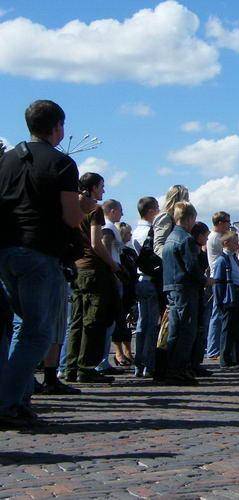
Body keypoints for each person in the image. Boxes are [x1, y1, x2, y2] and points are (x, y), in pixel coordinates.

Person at [0, 100, 84, 427]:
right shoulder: (61, 163)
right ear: (57, 126)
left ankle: (20, 398)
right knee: (38, 332)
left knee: (21, 327)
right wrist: (85, 208)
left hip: (7, 249)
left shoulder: (7, 160)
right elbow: (71, 215)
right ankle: (7, 401)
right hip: (39, 251)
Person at [66, 172, 121, 384]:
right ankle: (86, 367)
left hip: (76, 267)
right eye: (101, 186)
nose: (103, 190)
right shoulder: (94, 209)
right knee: (93, 320)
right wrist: (112, 264)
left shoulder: (71, 205)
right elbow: (96, 242)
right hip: (93, 269)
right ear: (93, 187)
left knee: (76, 320)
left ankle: (70, 366)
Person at [162, 202, 206, 385]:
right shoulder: (186, 239)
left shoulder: (170, 237)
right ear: (189, 218)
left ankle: (171, 368)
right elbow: (191, 267)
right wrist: (205, 280)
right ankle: (179, 369)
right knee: (186, 330)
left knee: (175, 330)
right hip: (185, 288)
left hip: (171, 286)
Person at [213, 231, 239, 371]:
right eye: (235, 242)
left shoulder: (234, 259)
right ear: (226, 243)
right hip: (229, 298)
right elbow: (218, 283)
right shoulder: (222, 260)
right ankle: (225, 359)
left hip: (238, 296)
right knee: (228, 329)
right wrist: (220, 302)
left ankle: (237, 356)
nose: (237, 244)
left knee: (238, 329)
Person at [131, 196, 161, 378]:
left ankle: (139, 363)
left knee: (142, 323)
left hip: (140, 279)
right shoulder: (151, 232)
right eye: (157, 208)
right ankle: (148, 364)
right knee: (151, 325)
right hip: (151, 279)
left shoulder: (135, 231)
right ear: (151, 211)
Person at [96, 199, 126, 375]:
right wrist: (113, 270)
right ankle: (101, 362)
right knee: (108, 322)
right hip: (111, 276)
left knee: (110, 323)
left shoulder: (108, 227)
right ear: (113, 211)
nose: (122, 214)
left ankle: (102, 361)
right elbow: (106, 247)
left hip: (111, 274)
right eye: (120, 210)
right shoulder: (108, 228)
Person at [205, 211, 230, 359]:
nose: (229, 225)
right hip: (219, 277)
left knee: (217, 313)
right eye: (227, 222)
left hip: (217, 276)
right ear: (220, 223)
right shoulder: (216, 238)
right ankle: (213, 349)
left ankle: (215, 347)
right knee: (217, 314)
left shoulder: (213, 237)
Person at [190, 222, 214, 378]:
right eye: (205, 236)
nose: (207, 239)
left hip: (199, 292)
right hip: (194, 291)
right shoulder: (193, 249)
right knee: (196, 328)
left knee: (200, 328)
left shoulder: (199, 249)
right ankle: (192, 363)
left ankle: (196, 362)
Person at [112, 221, 137, 366]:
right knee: (118, 323)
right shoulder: (117, 253)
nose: (130, 235)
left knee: (127, 324)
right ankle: (118, 352)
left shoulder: (129, 252)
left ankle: (128, 351)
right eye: (128, 233)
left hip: (130, 290)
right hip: (121, 290)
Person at [153, 185, 190, 258]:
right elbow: (158, 245)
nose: (188, 201)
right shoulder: (165, 217)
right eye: (186, 198)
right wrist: (172, 260)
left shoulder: (177, 217)